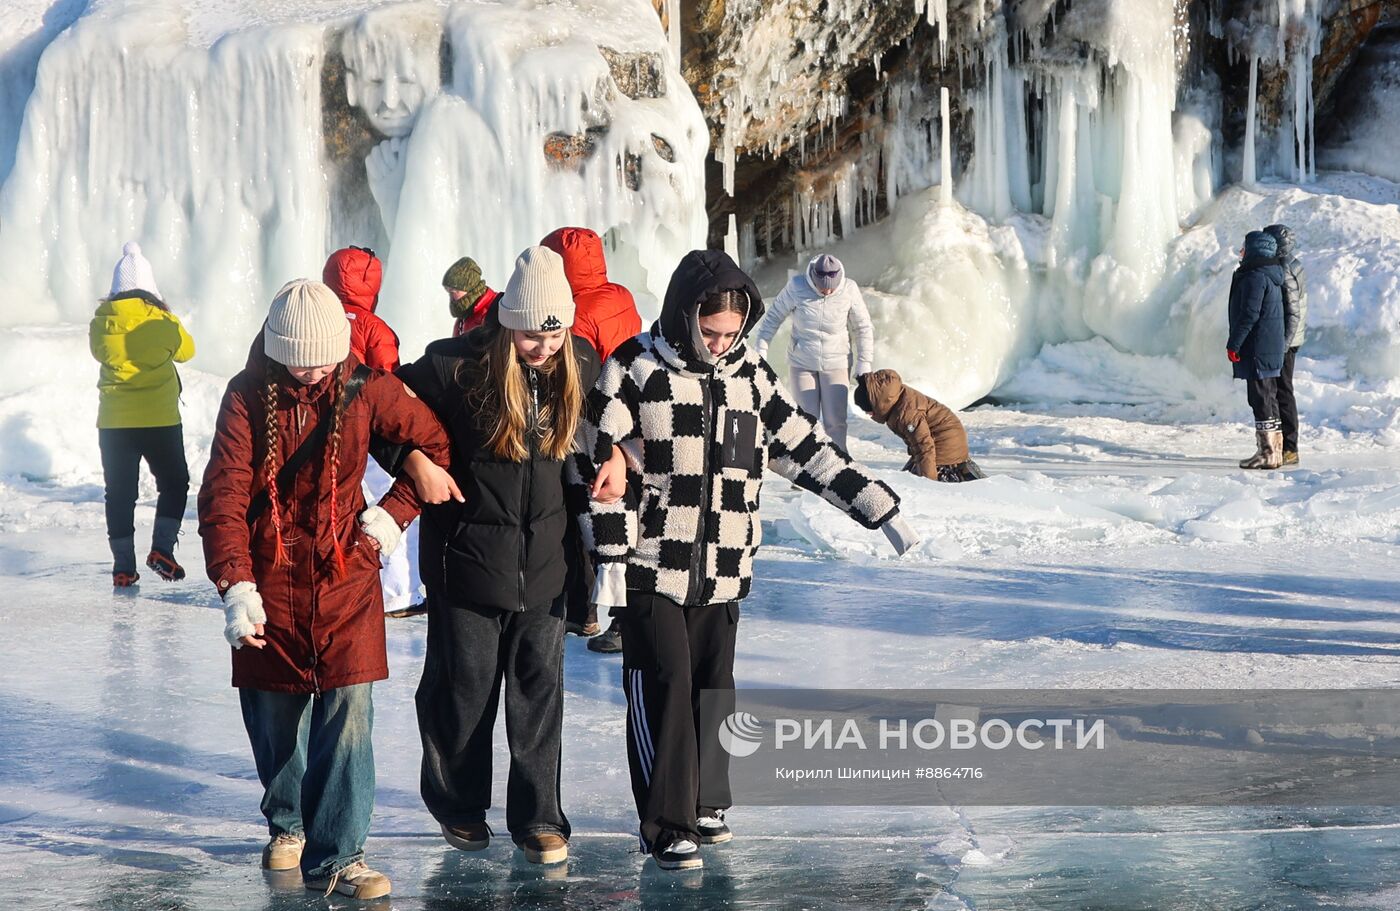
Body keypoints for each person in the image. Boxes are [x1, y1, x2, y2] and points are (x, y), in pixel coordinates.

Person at [570, 249, 919, 871]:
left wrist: (878, 508)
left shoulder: (751, 375)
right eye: (709, 332)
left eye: (730, 333)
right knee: (664, 688)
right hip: (651, 561)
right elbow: (598, 468)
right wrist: (613, 556)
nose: (719, 344)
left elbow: (807, 452)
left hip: (725, 565)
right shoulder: (633, 368)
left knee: (713, 689)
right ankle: (665, 822)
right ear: (683, 316)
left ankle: (705, 804)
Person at [198, 279, 451, 900]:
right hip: (270, 573)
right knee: (275, 711)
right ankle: (287, 822)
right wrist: (236, 585)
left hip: (347, 572)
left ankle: (341, 855)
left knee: (349, 715)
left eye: (324, 356)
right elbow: (224, 495)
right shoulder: (245, 396)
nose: (311, 370)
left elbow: (435, 443)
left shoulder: (366, 388)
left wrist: (391, 514)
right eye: (299, 356)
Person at [386, 247, 599, 867]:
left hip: (549, 566)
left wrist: (617, 460)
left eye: (555, 332)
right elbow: (377, 412)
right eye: (533, 333)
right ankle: (458, 806)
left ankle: (538, 817)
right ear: (507, 321)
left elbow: (611, 427)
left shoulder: (579, 360)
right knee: (464, 690)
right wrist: (413, 462)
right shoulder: (456, 366)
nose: (545, 346)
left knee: (538, 692)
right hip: (467, 561)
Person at [540, 226, 644, 648]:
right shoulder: (620, 294)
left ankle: (594, 615)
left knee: (589, 519)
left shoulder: (575, 312)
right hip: (631, 419)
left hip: (589, 426)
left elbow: (578, 373)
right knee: (626, 515)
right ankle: (620, 616)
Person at [89, 241, 195, 587]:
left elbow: (98, 352)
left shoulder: (101, 324)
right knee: (175, 483)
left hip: (115, 423)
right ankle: (162, 548)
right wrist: (167, 315)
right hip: (160, 419)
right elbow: (187, 353)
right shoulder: (163, 322)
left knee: (119, 494)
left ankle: (123, 567)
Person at [752, 253, 874, 450]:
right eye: (821, 287)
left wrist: (864, 361)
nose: (826, 291)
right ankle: (807, 469)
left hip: (837, 363)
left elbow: (863, 327)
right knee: (806, 421)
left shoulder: (849, 289)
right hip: (802, 363)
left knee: (835, 422)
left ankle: (838, 468)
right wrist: (762, 346)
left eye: (831, 287)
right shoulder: (797, 286)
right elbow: (774, 316)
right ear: (813, 279)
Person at [854, 370, 986, 482]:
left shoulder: (907, 414)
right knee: (913, 472)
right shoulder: (896, 397)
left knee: (917, 479)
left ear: (879, 404)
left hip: (945, 442)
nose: (868, 414)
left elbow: (924, 447)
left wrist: (927, 484)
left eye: (868, 410)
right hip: (944, 437)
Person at [1227, 231, 1287, 470]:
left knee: (1260, 398)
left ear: (1255, 250)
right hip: (1268, 347)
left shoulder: (1254, 277)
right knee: (1268, 398)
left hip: (1257, 348)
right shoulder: (1270, 276)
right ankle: (1275, 451)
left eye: (1244, 247)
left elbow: (1249, 314)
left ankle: (1267, 452)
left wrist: (1234, 343)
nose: (1241, 251)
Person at [540, 226, 643, 362]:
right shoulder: (622, 293)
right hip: (633, 374)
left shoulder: (575, 315)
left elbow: (579, 370)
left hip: (605, 381)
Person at [1262, 223, 1306, 465]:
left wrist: (1283, 345)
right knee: (1281, 391)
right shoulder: (1291, 263)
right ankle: (1284, 445)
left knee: (1282, 391)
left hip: (1285, 341)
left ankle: (1290, 447)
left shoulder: (1284, 268)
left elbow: (1293, 311)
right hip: (1288, 339)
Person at [323, 245, 399, 371]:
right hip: (356, 390)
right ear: (370, 281)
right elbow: (387, 379)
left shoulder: (314, 315)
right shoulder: (374, 327)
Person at [443, 256, 500, 337]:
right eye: (448, 291)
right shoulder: (463, 315)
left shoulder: (495, 311)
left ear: (469, 288)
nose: (450, 298)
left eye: (452, 292)